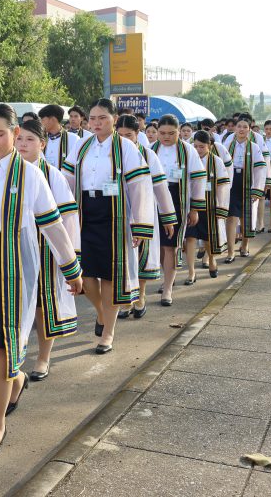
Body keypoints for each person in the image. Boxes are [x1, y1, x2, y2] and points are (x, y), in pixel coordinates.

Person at [0, 104, 82, 459]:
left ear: (15, 134)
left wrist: (71, 267)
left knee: (2, 342)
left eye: (0, 134)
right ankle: (16, 379)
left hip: (11, 261)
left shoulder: (31, 175)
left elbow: (52, 224)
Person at [61, 98, 155, 353]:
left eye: (102, 118)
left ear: (114, 119)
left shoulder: (126, 147)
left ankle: (108, 332)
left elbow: (139, 186)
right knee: (85, 274)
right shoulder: (81, 145)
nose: (97, 123)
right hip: (84, 213)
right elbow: (66, 179)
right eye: (92, 118)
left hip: (114, 214)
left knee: (111, 274)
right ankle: (102, 312)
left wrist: (139, 224)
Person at [13, 116, 84, 379]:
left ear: (42, 144)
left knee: (44, 305)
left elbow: (68, 218)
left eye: (30, 139)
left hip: (45, 249)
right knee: (12, 305)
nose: (23, 144)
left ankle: (43, 357)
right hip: (11, 247)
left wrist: (70, 258)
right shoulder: (7, 170)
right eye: (19, 138)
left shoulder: (53, 175)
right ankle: (7, 362)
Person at [113, 115, 176, 318]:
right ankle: (125, 300)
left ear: (137, 134)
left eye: (129, 135)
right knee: (121, 256)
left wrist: (167, 216)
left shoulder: (148, 155)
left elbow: (160, 187)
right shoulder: (110, 153)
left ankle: (140, 296)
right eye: (120, 135)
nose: (124, 139)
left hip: (144, 212)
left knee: (142, 255)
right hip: (117, 212)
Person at [151, 115, 206, 305]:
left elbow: (198, 179)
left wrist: (195, 209)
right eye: (162, 133)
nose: (166, 137)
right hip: (153, 197)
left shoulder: (188, 150)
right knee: (158, 244)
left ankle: (167, 288)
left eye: (171, 133)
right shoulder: (150, 150)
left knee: (171, 245)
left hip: (177, 198)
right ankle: (166, 277)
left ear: (179, 131)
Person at [184, 131, 230, 282]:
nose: (198, 150)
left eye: (202, 147)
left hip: (209, 205)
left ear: (209, 146)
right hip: (191, 204)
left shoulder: (216, 161)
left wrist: (221, 206)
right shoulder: (188, 158)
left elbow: (223, 185)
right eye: (195, 146)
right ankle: (191, 272)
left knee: (208, 238)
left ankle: (211, 259)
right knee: (190, 237)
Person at [222, 116, 267, 262]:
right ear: (235, 128)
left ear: (249, 129)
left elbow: (260, 168)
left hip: (248, 181)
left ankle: (245, 245)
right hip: (231, 182)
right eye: (239, 126)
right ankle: (230, 251)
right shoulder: (227, 144)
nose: (241, 129)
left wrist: (257, 189)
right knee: (231, 217)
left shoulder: (254, 147)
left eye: (245, 127)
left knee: (245, 215)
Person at [39, 104, 79, 173]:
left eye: (42, 120)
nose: (41, 123)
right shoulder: (41, 139)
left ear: (52, 120)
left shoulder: (73, 139)